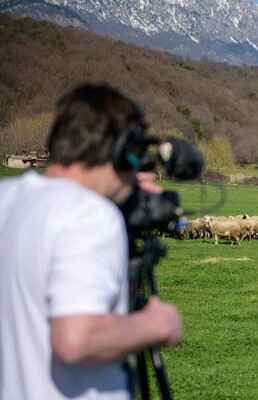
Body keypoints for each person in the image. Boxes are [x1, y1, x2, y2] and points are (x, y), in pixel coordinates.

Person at [0, 83, 182, 400]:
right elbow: (76, 339)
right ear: (123, 151)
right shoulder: (89, 214)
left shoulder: (9, 199)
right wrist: (156, 325)